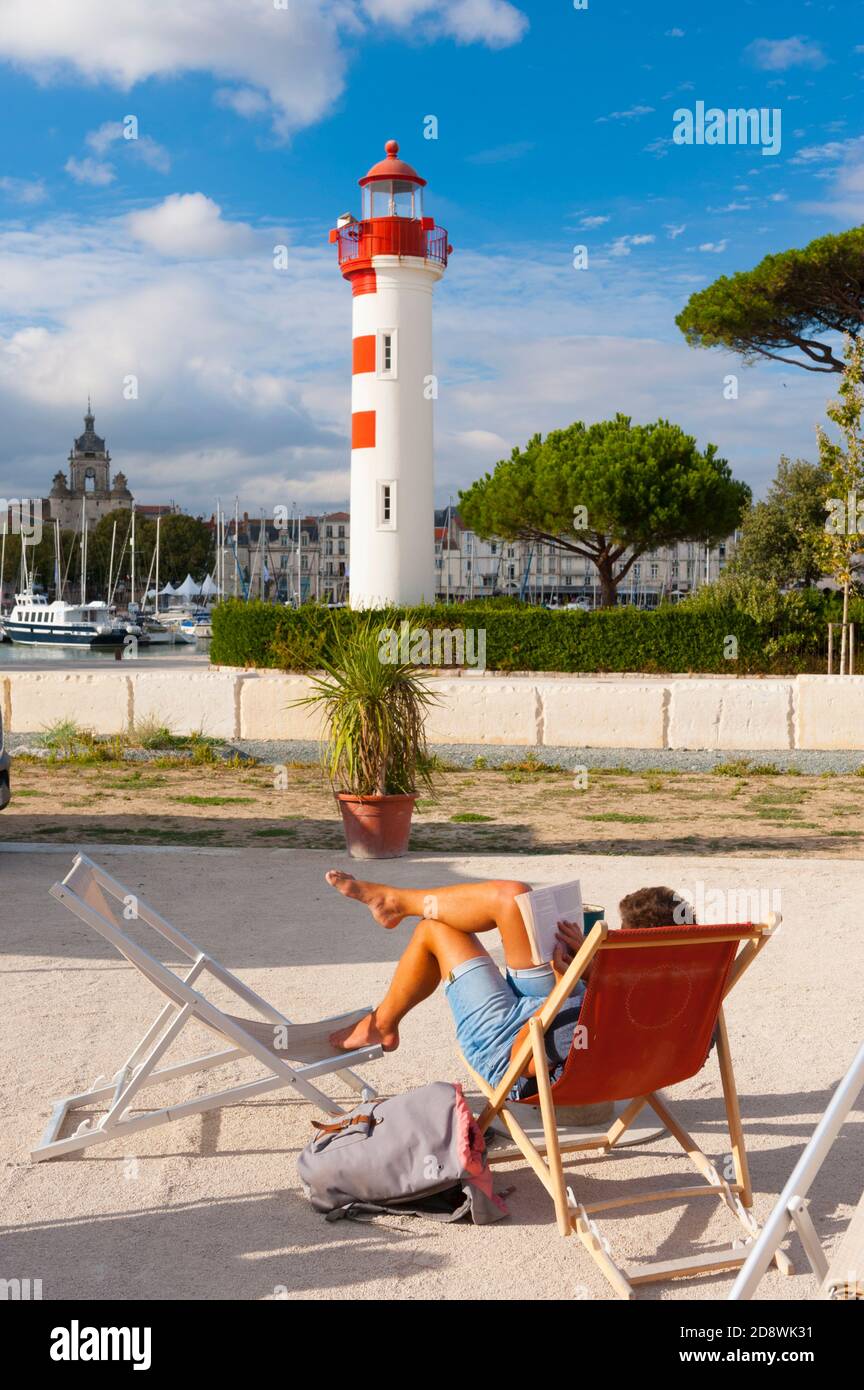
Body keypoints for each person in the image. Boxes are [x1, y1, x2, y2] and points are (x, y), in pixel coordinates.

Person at [326, 873, 686, 1099]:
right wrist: (591, 972)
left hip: (512, 1043)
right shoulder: (687, 996)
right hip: (570, 1004)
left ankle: (384, 1022)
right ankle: (396, 906)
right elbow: (627, 1006)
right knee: (514, 897)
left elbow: (522, 1057)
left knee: (433, 930)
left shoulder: (592, 1022)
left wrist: (565, 986)